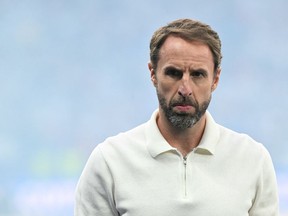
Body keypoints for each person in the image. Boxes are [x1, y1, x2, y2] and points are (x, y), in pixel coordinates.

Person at [75, 18, 279, 216]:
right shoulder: (109, 161)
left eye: (198, 74)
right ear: (153, 73)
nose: (185, 89)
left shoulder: (253, 160)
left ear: (215, 78)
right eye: (173, 73)